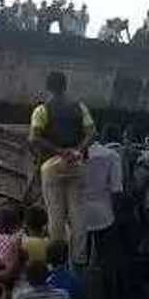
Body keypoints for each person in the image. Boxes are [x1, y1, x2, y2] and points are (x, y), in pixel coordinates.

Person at [30, 71, 95, 242]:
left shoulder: (42, 110)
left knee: (55, 214)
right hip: (76, 162)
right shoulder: (80, 107)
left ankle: (57, 257)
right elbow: (91, 133)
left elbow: (34, 137)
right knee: (78, 213)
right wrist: (78, 150)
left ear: (48, 87)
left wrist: (59, 151)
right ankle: (79, 259)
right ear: (65, 86)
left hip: (52, 164)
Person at [78, 130, 124, 299]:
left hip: (78, 214)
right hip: (106, 214)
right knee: (108, 263)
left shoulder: (72, 156)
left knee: (78, 261)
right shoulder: (111, 155)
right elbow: (116, 189)